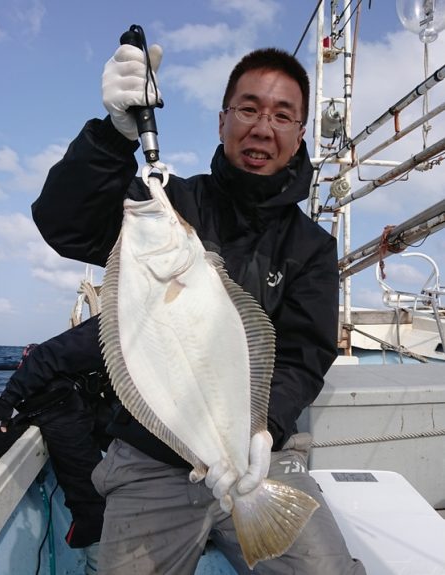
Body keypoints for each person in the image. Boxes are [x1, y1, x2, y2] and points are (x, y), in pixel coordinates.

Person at [32, 42, 367, 575]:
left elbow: (304, 356)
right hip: (150, 458)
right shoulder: (172, 204)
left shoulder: (311, 248)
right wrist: (110, 138)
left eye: (283, 115)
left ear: (300, 134)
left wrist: (262, 432)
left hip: (263, 455)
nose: (263, 127)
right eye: (249, 108)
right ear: (222, 121)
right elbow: (67, 223)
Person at [0, 316, 113, 557]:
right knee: (88, 497)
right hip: (59, 406)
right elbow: (45, 356)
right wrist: (7, 402)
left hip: (90, 399)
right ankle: (96, 548)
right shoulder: (116, 323)